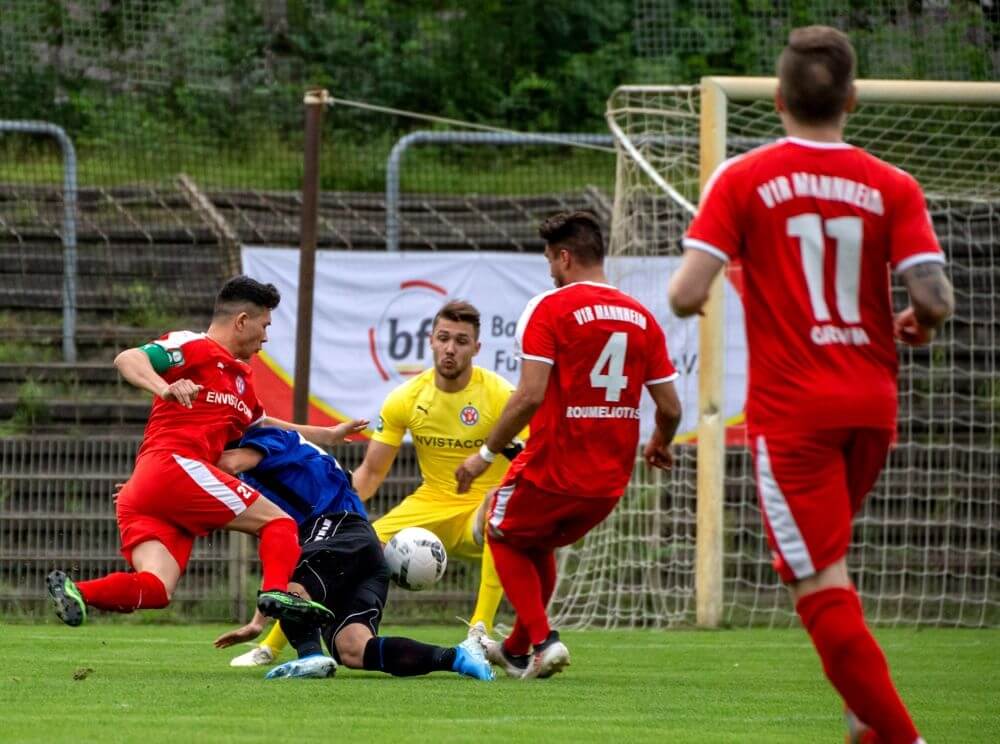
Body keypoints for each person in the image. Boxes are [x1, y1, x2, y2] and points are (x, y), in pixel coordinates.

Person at [667, 26, 953, 744]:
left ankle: (902, 736)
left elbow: (682, 294)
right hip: (872, 405)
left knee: (816, 583)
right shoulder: (893, 184)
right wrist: (915, 320)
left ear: (776, 98)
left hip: (794, 413)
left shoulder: (743, 178)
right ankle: (862, 719)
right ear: (852, 99)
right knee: (832, 568)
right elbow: (936, 297)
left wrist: (730, 265)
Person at [47, 276, 362, 629]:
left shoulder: (241, 381)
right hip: (172, 467)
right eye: (265, 325)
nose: (266, 337)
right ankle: (277, 593)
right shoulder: (194, 345)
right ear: (242, 321)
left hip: (150, 489)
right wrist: (164, 388)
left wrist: (328, 434)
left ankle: (77, 591)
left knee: (157, 589)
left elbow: (262, 424)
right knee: (278, 523)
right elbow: (128, 359)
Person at [231, 299, 525, 667]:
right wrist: (342, 511)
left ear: (477, 348)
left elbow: (522, 464)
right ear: (431, 341)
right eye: (444, 338)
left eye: (461, 341)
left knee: (499, 514)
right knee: (351, 548)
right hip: (430, 502)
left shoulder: (500, 395)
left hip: (484, 502)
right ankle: (271, 646)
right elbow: (370, 473)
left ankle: (479, 631)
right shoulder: (407, 398)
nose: (451, 348)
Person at [455, 210, 683, 679]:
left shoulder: (550, 308)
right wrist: (660, 441)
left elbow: (530, 395)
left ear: (564, 257)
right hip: (609, 483)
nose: (550, 272)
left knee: (497, 525)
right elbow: (672, 408)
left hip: (556, 467)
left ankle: (543, 641)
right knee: (535, 544)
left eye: (550, 262)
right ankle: (517, 647)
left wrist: (483, 456)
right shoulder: (642, 318)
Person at [212, 426, 493, 682]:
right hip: (360, 548)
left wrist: (178, 472)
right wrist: (256, 622)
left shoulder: (265, 439)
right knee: (354, 650)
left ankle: (310, 657)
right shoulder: (272, 457)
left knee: (292, 582)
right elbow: (279, 548)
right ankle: (458, 656)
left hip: (337, 528)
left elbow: (225, 463)